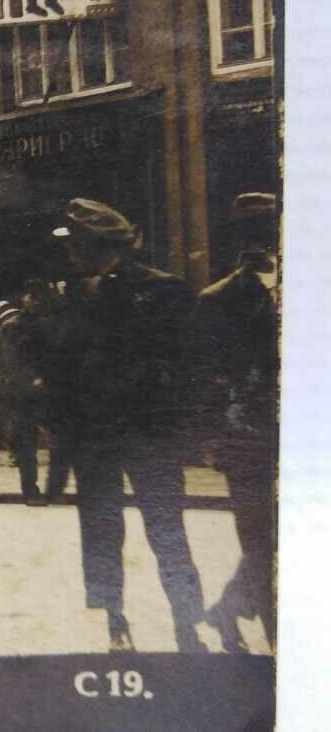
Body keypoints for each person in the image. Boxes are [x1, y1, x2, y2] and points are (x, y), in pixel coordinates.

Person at [47, 197, 205, 653]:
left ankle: (186, 620)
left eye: (77, 246)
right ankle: (116, 621)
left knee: (166, 527)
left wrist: (181, 429)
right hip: (95, 441)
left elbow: (186, 364)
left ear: (99, 246)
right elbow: (62, 377)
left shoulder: (162, 291)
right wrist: (62, 451)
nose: (72, 256)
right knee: (101, 530)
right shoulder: (74, 300)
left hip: (147, 433)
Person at [192, 192, 278, 653]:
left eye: (270, 224)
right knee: (262, 542)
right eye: (255, 228)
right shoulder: (219, 300)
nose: (263, 237)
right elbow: (205, 376)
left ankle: (228, 610)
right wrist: (213, 440)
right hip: (247, 437)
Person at [0, 281, 56, 505]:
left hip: (50, 391)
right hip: (23, 394)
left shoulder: (50, 324)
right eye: (30, 296)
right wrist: (34, 379)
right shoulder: (12, 327)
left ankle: (55, 486)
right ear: (23, 300)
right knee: (27, 444)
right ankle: (31, 491)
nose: (34, 301)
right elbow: (11, 362)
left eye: (38, 297)